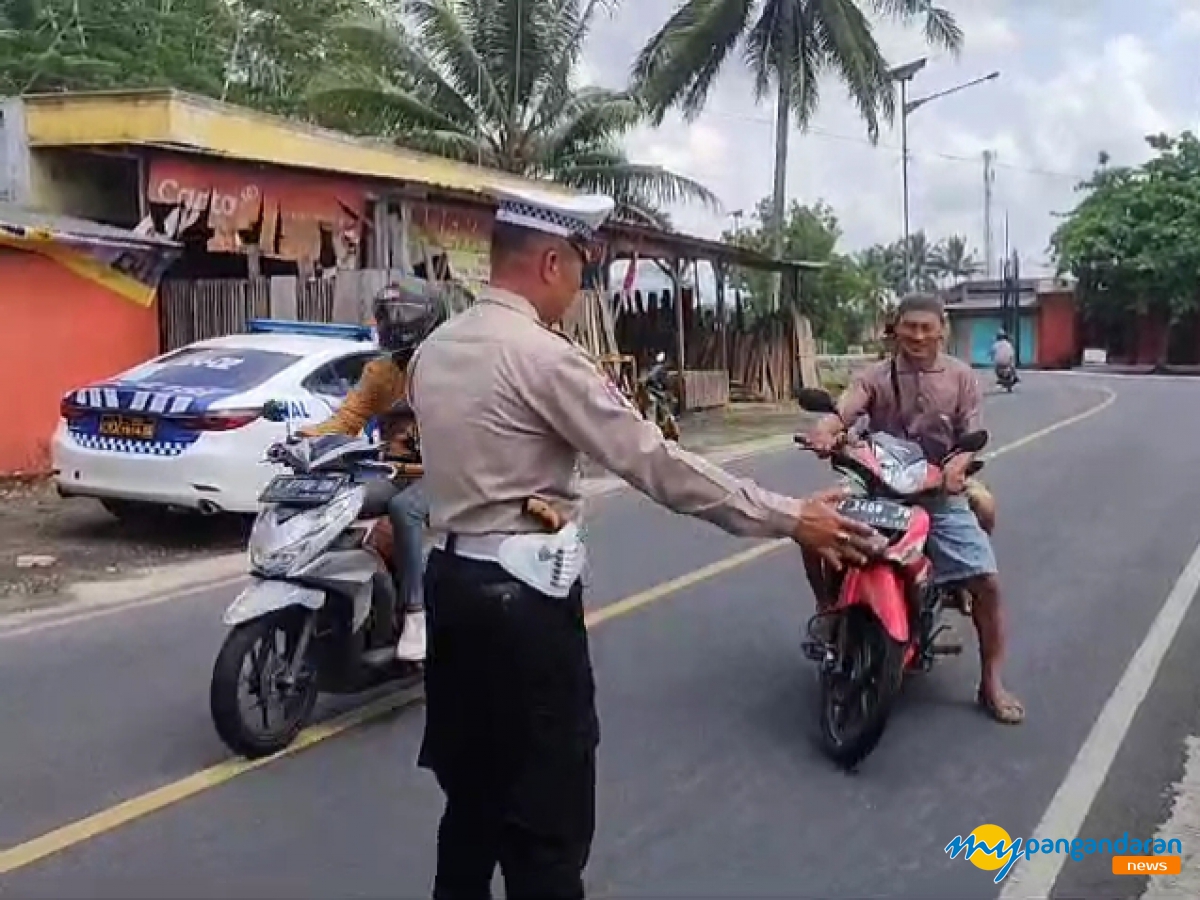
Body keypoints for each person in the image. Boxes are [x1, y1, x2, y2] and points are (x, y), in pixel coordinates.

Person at [407, 186, 880, 900]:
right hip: (522, 610)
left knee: (471, 803)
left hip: (450, 588)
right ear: (550, 263)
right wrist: (789, 516)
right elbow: (657, 465)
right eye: (580, 270)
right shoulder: (544, 358)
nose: (577, 287)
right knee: (546, 826)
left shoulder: (435, 350)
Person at [803, 292, 1023, 726]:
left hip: (936, 489)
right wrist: (826, 431)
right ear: (896, 328)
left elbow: (972, 435)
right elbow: (843, 411)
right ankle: (829, 610)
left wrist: (957, 468)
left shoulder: (962, 379)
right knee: (812, 524)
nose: (918, 335)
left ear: (942, 329)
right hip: (875, 483)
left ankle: (991, 682)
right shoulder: (874, 375)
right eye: (910, 326)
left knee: (988, 582)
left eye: (927, 327)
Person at [301, 280, 445, 662]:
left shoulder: (446, 369)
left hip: (447, 473)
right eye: (386, 314)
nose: (391, 323)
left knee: (405, 510)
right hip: (396, 471)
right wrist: (301, 439)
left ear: (427, 320)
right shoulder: (380, 371)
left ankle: (416, 615)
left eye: (402, 315)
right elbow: (347, 420)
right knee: (337, 500)